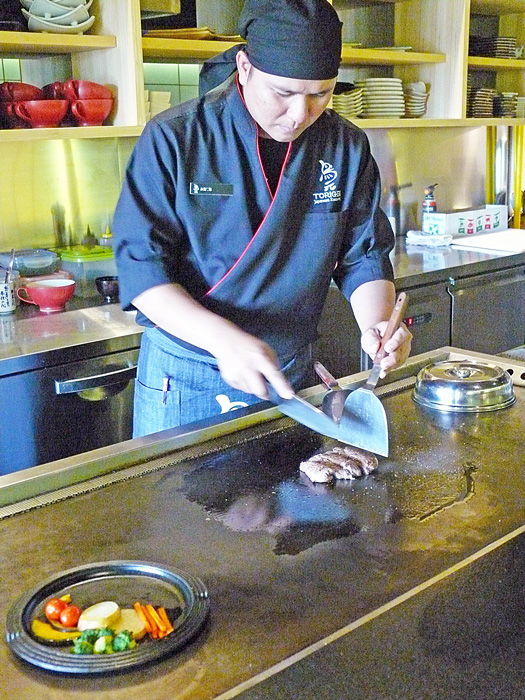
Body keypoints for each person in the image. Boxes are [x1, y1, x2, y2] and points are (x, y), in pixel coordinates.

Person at [112, 0, 412, 438]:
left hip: (291, 371)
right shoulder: (176, 138)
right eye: (284, 93)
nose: (299, 114)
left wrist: (377, 327)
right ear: (244, 68)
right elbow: (141, 270)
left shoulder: (345, 147)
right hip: (187, 372)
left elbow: (363, 255)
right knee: (178, 506)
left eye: (320, 94)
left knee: (293, 499)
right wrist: (223, 340)